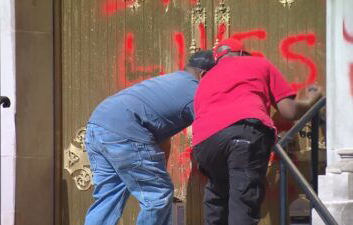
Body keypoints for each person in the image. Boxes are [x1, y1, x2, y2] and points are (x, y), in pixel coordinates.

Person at [192, 39, 322, 225]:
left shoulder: (205, 80)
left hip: (204, 144)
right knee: (243, 201)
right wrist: (310, 101)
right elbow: (289, 111)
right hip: (243, 133)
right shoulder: (259, 63)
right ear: (242, 53)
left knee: (217, 197)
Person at [84, 50, 215, 225]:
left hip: (97, 124)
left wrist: (160, 171)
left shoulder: (171, 81)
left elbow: (161, 136)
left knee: (108, 197)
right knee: (157, 196)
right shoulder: (197, 92)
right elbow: (208, 133)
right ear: (204, 74)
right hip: (126, 130)